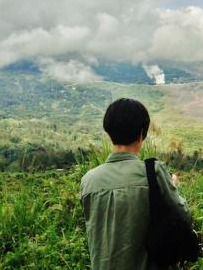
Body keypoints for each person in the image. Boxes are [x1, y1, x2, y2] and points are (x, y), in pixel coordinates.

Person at [80, 98, 189, 270]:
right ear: (141, 134)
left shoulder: (88, 181)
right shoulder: (153, 172)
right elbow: (184, 216)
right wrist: (172, 186)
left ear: (109, 134)